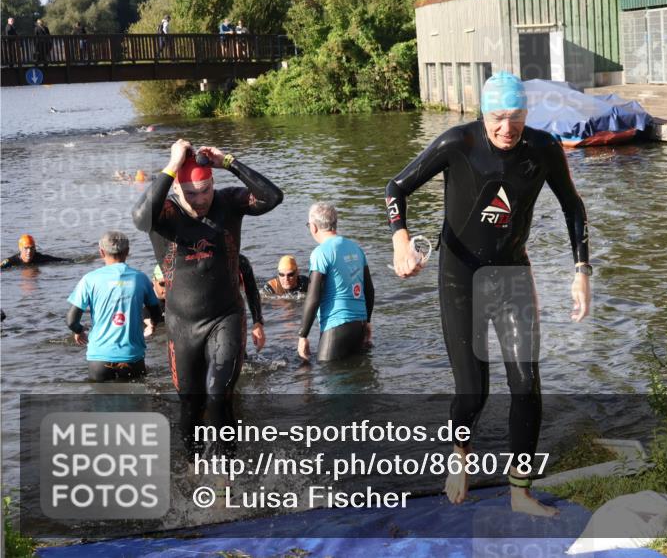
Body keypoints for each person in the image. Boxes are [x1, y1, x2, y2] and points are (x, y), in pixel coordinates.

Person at [385, 71, 591, 517]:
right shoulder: (457, 143)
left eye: (516, 118)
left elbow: (573, 207)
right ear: (483, 114)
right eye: (498, 118)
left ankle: (520, 492)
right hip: (460, 277)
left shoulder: (543, 149)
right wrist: (401, 240)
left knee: (526, 386)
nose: (507, 128)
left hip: (512, 273)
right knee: (473, 391)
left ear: (526, 115)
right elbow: (395, 188)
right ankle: (459, 456)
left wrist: (581, 271)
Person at [132, 139, 283, 459]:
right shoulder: (165, 212)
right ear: (178, 189)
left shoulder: (228, 202)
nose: (201, 199)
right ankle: (194, 465)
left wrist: (229, 162)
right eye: (192, 192)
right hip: (182, 325)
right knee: (191, 404)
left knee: (218, 397)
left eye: (206, 189)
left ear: (214, 183)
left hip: (225, 316)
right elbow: (140, 218)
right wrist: (172, 166)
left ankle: (227, 473)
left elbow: (273, 197)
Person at [66, 231, 163, 382]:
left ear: (101, 252)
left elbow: (71, 321)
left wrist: (79, 330)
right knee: (137, 403)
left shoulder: (89, 280)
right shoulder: (141, 278)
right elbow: (156, 313)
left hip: (99, 360)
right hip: (132, 357)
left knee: (102, 403)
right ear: (128, 252)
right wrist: (153, 324)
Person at [297, 202, 373, 362]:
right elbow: (369, 289)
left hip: (336, 326)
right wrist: (367, 322)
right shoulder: (356, 248)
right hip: (359, 325)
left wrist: (303, 335)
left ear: (313, 227)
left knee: (327, 376)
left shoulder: (320, 253)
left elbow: (313, 297)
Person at [238, 254, 266, 351]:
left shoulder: (240, 261)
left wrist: (257, 322)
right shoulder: (193, 258)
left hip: (231, 318)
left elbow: (252, 291)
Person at [1, 234, 69, 268]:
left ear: (35, 248)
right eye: (26, 248)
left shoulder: (40, 258)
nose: (29, 251)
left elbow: (61, 260)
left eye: (31, 248)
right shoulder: (11, 261)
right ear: (20, 248)